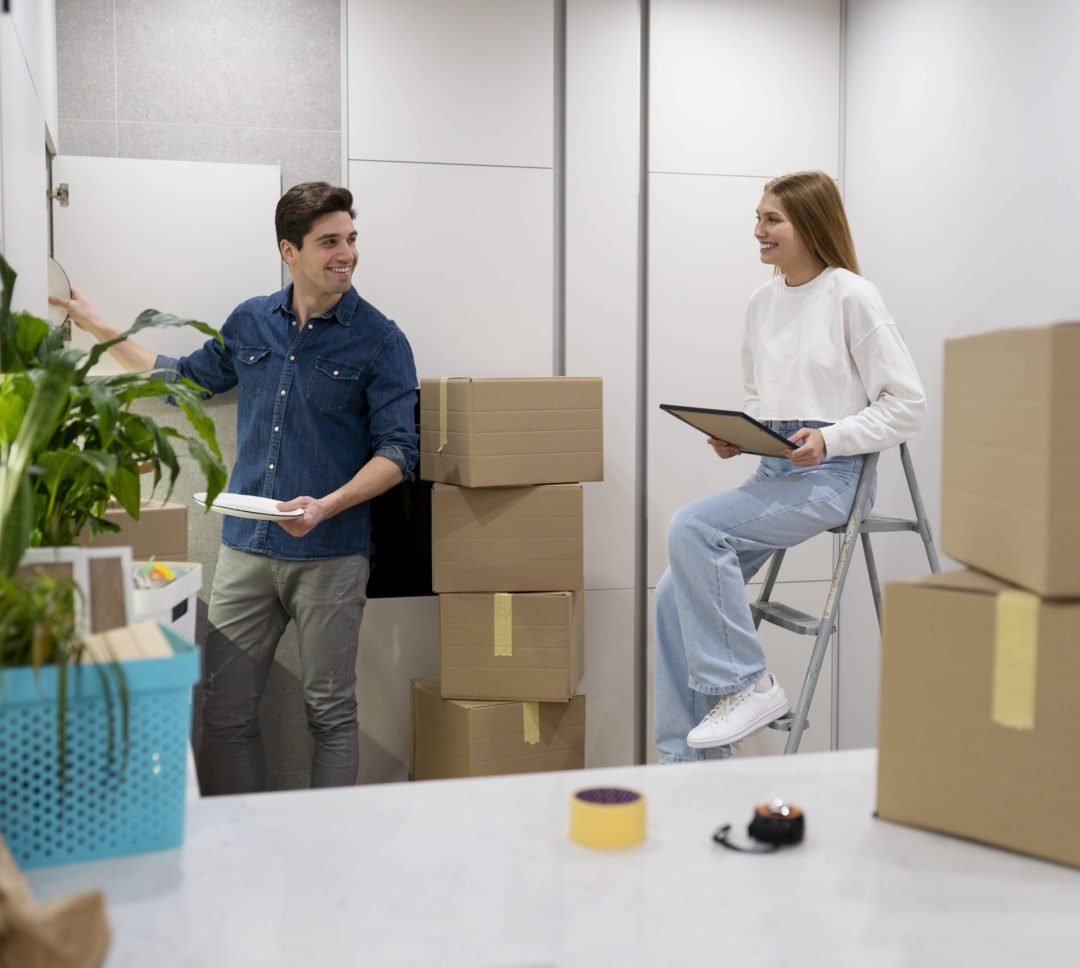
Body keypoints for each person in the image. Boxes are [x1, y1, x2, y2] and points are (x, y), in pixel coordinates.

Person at [50, 182, 419, 793]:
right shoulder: (251, 321)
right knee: (224, 712)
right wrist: (97, 326)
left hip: (331, 554)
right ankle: (240, 838)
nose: (347, 253)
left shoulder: (381, 340)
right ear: (289, 250)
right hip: (245, 550)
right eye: (330, 242)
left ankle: (329, 840)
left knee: (329, 713)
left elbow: (398, 453)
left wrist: (327, 505)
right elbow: (182, 381)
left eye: (351, 239)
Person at [654, 170, 925, 763]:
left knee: (692, 526)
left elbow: (907, 406)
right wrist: (743, 436)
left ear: (810, 224)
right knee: (672, 593)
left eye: (772, 219)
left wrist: (832, 439)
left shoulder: (853, 295)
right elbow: (760, 394)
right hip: (776, 471)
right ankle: (686, 764)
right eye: (757, 218)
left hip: (835, 479)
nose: (759, 231)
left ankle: (749, 684)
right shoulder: (762, 302)